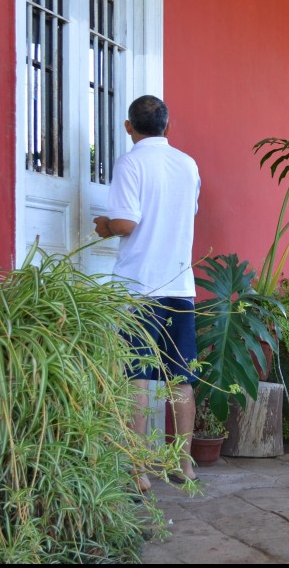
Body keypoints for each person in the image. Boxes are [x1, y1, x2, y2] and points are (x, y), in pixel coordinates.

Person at [94, 94, 201, 491]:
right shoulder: (187, 165)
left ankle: (138, 472)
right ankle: (184, 466)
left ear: (129, 127)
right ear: (167, 127)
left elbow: (125, 223)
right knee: (181, 377)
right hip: (180, 286)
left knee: (136, 376)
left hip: (139, 288)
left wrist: (104, 225)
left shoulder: (131, 161)